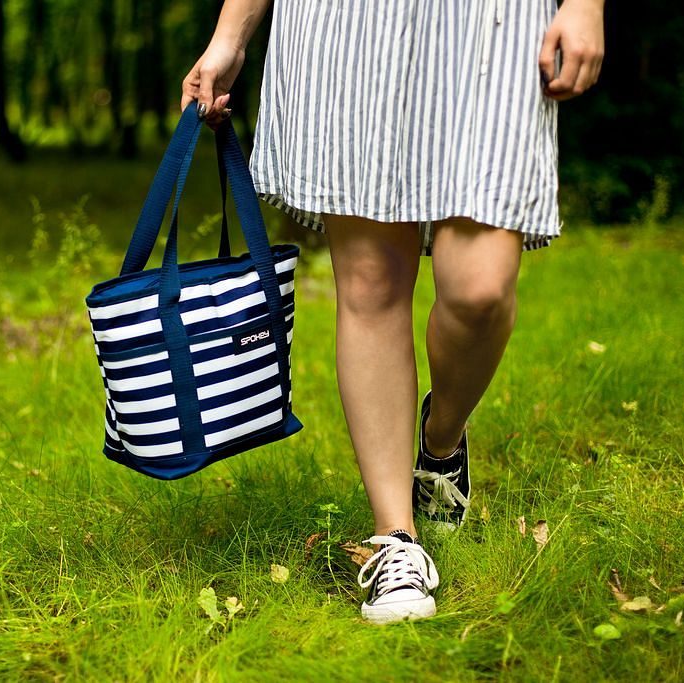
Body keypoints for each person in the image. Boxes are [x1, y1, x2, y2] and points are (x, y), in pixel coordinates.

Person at [181, 0, 605, 625]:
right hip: (349, 25)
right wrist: (230, 37)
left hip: (490, 26)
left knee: (480, 290)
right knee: (371, 284)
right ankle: (396, 539)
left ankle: (441, 440)